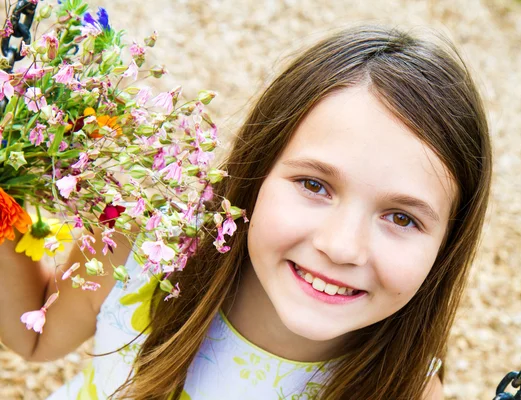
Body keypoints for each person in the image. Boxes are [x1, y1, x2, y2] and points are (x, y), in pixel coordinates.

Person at [0, 24, 492, 399]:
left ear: (447, 243)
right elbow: (35, 339)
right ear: (255, 174)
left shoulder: (404, 388)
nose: (341, 246)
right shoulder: (147, 249)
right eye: (314, 185)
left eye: (402, 218)